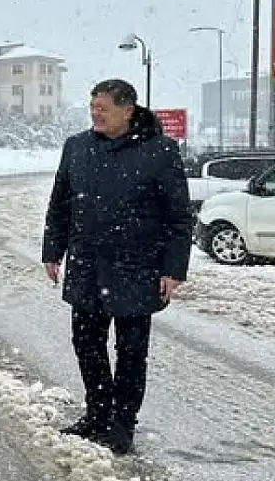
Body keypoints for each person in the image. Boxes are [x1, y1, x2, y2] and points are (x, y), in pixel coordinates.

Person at [42, 79, 192, 455]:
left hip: (137, 269)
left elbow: (178, 216)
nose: (95, 113)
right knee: (86, 344)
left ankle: (122, 424)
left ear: (128, 110)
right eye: (93, 107)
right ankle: (97, 414)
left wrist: (173, 268)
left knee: (131, 351)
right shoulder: (76, 147)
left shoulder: (160, 150)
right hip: (88, 265)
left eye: (103, 108)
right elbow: (60, 203)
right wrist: (52, 249)